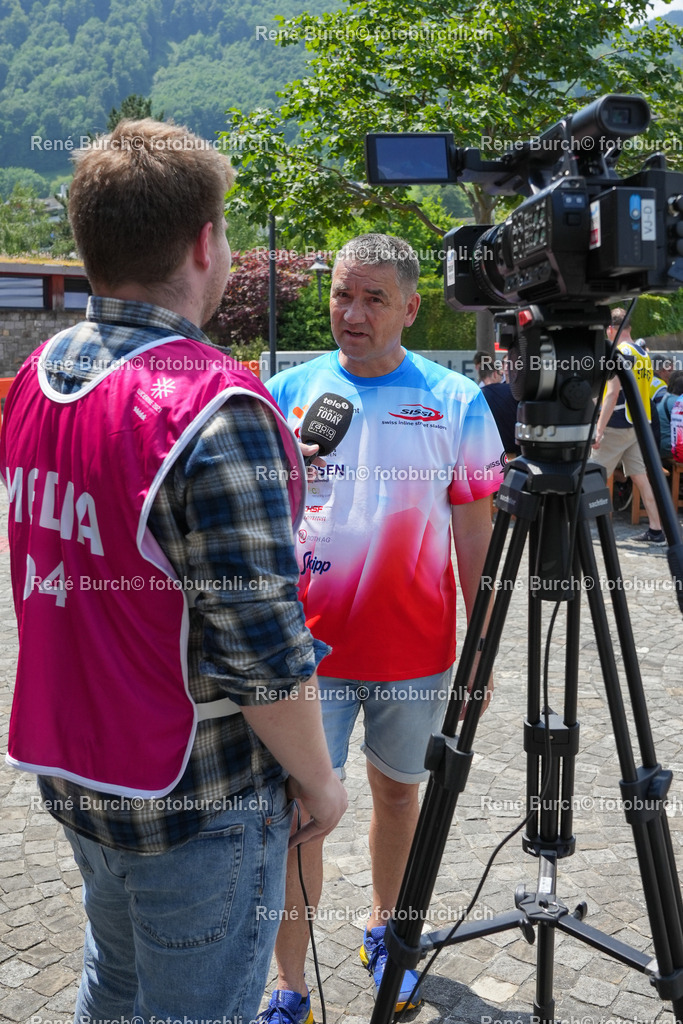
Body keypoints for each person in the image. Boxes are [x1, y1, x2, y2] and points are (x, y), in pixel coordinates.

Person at [0, 119, 346, 1024]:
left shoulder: (38, 374)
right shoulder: (218, 406)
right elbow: (262, 652)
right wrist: (319, 781)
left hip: (78, 771)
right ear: (203, 244)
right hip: (198, 795)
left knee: (112, 985)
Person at [259, 233, 502, 1021]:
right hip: (308, 655)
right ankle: (287, 984)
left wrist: (481, 649)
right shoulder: (284, 392)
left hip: (415, 653)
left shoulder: (455, 400)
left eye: (373, 298)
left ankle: (388, 935)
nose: (352, 313)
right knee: (300, 817)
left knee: (397, 798)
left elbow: (475, 537)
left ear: (410, 307)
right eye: (341, 294)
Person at [591, 307, 664, 544]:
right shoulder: (643, 354)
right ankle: (656, 529)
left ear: (611, 329)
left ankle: (573, 527)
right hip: (638, 425)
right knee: (641, 478)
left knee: (590, 476)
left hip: (617, 424)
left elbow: (613, 394)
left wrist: (599, 429)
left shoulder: (619, 353)